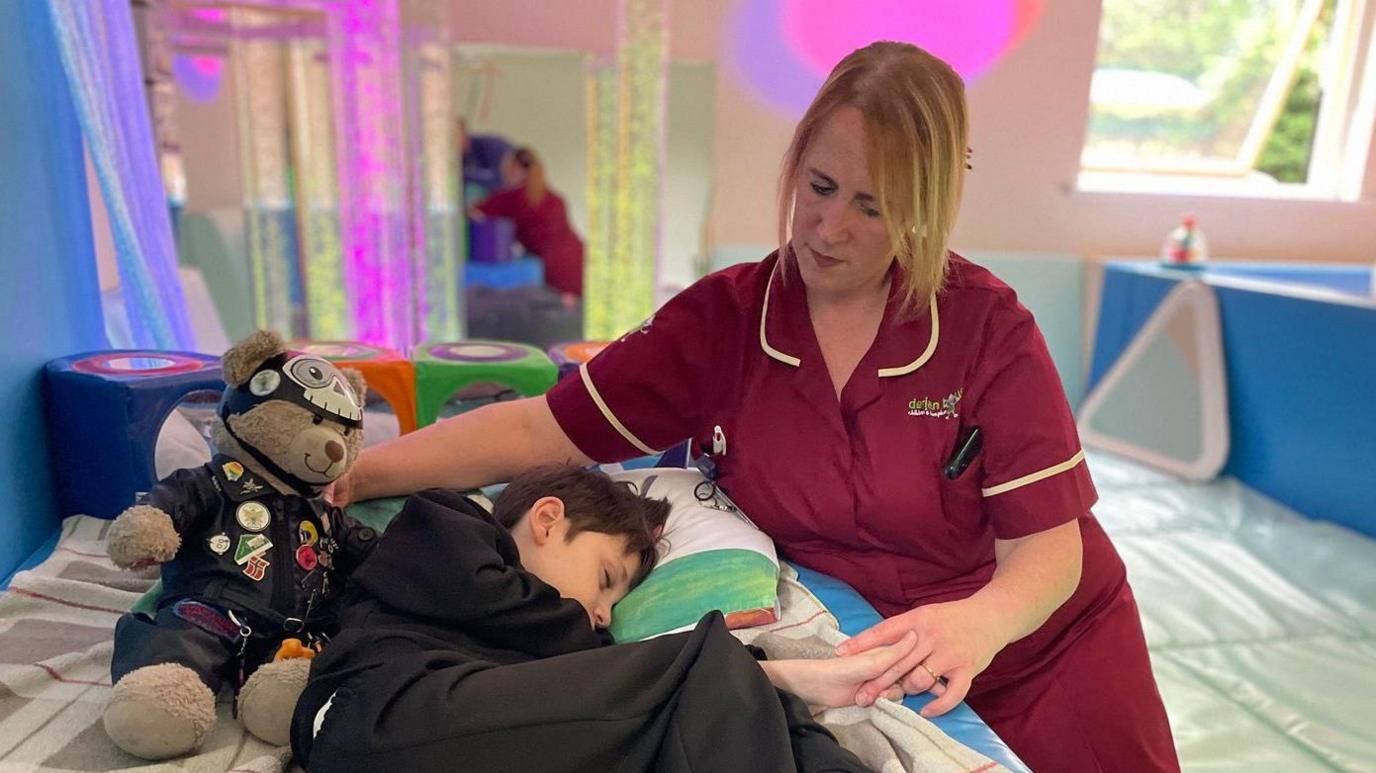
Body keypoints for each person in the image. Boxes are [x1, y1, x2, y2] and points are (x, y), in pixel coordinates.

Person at [331, 42, 1179, 771]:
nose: (827, 227)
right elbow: (539, 426)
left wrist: (978, 624)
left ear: (923, 209)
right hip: (875, 657)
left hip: (1050, 647)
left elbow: (1048, 554)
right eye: (819, 185)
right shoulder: (727, 322)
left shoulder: (986, 329)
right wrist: (359, 470)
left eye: (871, 206)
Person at [293, 465, 913, 772]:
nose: (599, 614)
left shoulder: (540, 654)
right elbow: (497, 604)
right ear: (546, 520)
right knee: (707, 661)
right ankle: (787, 680)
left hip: (457, 735)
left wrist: (762, 684)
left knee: (723, 689)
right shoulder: (445, 525)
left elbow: (606, 685)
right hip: (369, 714)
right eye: (606, 580)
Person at [470, 146, 586, 297]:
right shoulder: (555, 198)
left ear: (512, 169)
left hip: (553, 272)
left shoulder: (509, 199)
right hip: (581, 260)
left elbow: (473, 213)